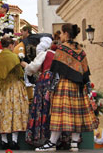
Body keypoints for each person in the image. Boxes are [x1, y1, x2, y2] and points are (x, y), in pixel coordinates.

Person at [35, 23, 97, 152]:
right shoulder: (80, 50)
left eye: (62, 33)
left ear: (66, 34)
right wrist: (88, 90)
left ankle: (52, 143)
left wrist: (51, 89)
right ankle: (74, 143)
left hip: (64, 85)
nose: (61, 36)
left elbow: (56, 72)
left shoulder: (62, 49)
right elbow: (85, 72)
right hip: (78, 87)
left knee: (59, 113)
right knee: (76, 113)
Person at [0, 37, 29, 150]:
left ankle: (3, 140)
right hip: (14, 87)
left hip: (1, 89)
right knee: (15, 112)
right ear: (11, 45)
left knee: (2, 112)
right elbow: (20, 73)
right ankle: (14, 141)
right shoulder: (14, 57)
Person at [21, 37, 54, 147]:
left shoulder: (45, 54)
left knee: (41, 107)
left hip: (45, 83)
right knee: (53, 109)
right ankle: (55, 138)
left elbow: (32, 68)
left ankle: (40, 137)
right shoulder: (59, 54)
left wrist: (25, 65)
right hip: (56, 83)